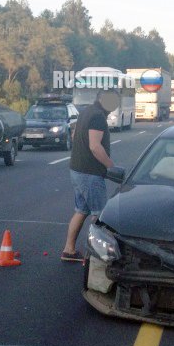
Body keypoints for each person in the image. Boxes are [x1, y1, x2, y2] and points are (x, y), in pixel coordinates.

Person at [61, 89, 119, 262]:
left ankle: (69, 251)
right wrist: (111, 166)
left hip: (78, 170)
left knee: (81, 211)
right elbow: (95, 146)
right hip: (90, 173)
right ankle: (98, 258)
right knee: (101, 216)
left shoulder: (86, 111)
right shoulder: (97, 117)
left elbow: (74, 135)